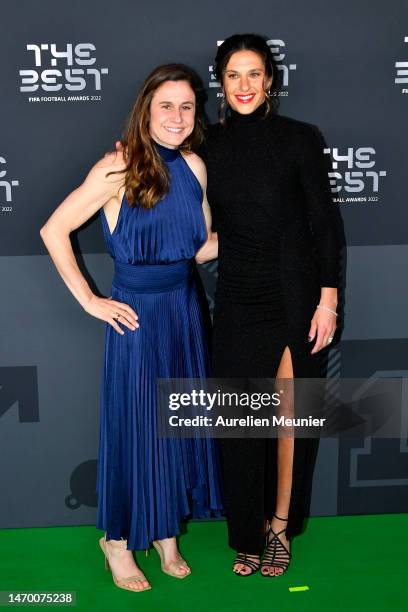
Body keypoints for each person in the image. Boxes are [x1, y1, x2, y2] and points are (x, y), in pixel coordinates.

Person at [39, 63, 223, 593]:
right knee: (136, 427)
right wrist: (91, 301)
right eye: (166, 105)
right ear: (145, 109)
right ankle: (117, 542)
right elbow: (54, 230)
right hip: (137, 318)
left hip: (185, 313)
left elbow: (200, 246)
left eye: (187, 106)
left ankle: (165, 533)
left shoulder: (195, 167)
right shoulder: (116, 168)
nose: (177, 116)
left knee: (175, 425)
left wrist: (261, 236)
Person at [196, 33, 342, 578]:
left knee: (287, 419)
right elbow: (190, 213)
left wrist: (327, 299)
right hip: (236, 295)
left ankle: (280, 525)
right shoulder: (205, 145)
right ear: (221, 81)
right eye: (233, 75)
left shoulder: (300, 139)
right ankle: (247, 533)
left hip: (294, 292)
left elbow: (324, 223)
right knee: (240, 421)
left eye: (253, 73)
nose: (243, 86)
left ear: (271, 80)